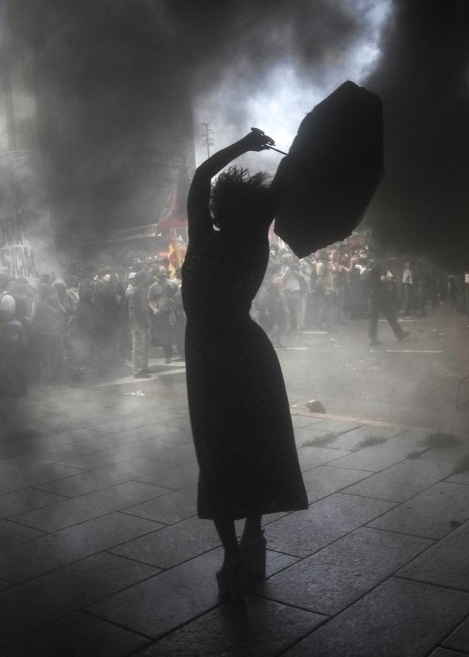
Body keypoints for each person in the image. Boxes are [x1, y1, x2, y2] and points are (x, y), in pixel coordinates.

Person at [181, 130, 308, 600]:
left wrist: (247, 143)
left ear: (218, 206)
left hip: (208, 354)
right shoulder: (255, 242)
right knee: (256, 439)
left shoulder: (201, 237)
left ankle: (233, 553)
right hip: (246, 348)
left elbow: (199, 175)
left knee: (216, 449)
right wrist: (298, 159)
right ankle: (254, 534)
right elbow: (280, 185)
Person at [365, 253, 409, 346]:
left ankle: (373, 338)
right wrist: (391, 280)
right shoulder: (384, 265)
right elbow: (383, 278)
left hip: (375, 292)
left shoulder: (377, 263)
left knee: (375, 316)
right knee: (388, 314)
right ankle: (399, 334)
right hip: (379, 292)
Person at [148, 268, 179, 363]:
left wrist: (175, 301)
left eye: (165, 271)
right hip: (161, 314)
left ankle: (179, 351)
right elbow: (149, 300)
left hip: (173, 312)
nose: (164, 273)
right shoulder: (153, 287)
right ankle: (167, 355)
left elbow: (178, 295)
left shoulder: (172, 284)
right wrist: (154, 309)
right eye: (161, 272)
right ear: (157, 273)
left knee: (176, 332)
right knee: (164, 335)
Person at [127, 271, 152, 378]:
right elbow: (131, 311)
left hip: (145, 324)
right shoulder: (134, 293)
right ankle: (138, 371)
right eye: (145, 279)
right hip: (139, 325)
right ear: (140, 280)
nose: (147, 281)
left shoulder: (142, 291)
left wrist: (149, 320)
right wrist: (135, 326)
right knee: (138, 349)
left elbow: (145, 308)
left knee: (146, 347)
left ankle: (144, 367)